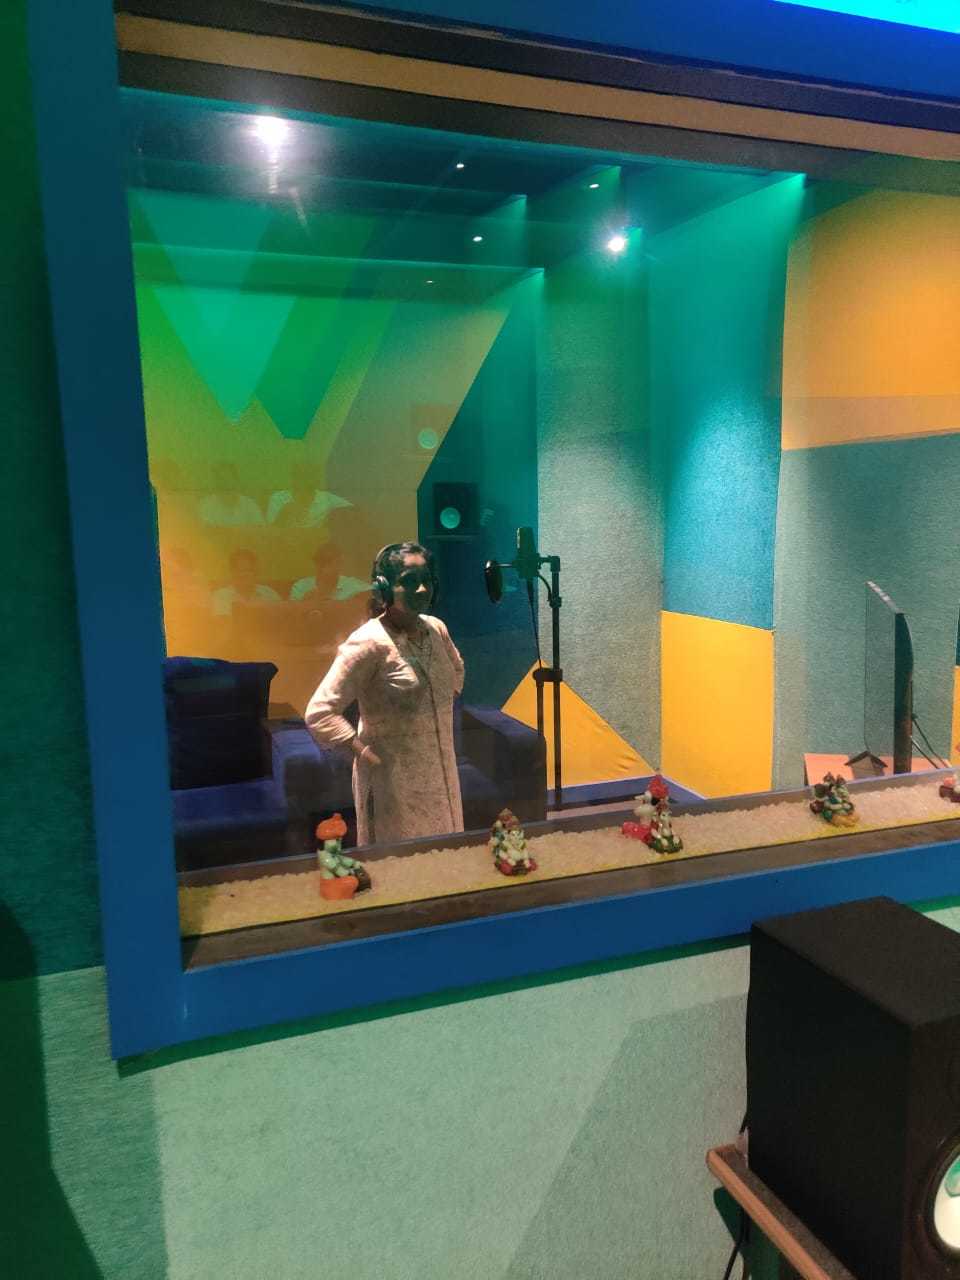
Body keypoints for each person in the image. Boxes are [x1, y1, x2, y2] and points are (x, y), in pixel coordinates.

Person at [305, 542, 464, 846]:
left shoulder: (437, 629)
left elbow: (457, 668)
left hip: (442, 775)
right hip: (393, 783)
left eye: (426, 580)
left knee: (445, 859)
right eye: (409, 581)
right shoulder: (368, 642)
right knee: (402, 865)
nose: (421, 589)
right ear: (384, 587)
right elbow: (320, 712)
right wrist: (361, 750)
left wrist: (436, 705)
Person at [211, 549, 281, 617]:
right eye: (240, 571)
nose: (244, 575)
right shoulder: (221, 596)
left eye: (248, 570)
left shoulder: (269, 594)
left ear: (256, 572)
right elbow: (223, 622)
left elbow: (280, 620)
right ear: (232, 572)